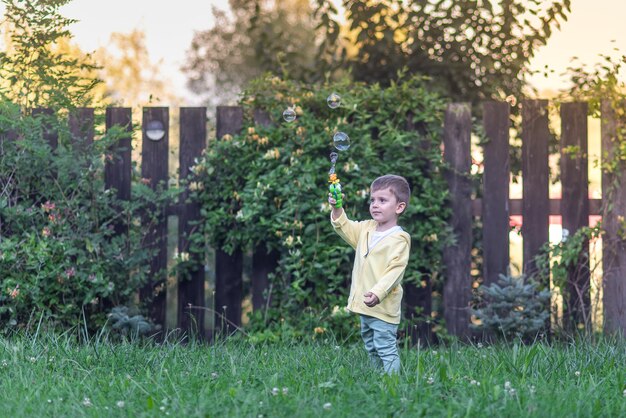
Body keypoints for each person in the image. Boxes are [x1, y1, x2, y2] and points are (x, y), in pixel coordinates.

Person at [329, 174, 411, 375]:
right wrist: (336, 208)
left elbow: (395, 272)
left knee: (385, 347)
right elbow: (345, 227)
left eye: (382, 200)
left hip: (383, 306)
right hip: (366, 305)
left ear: (399, 207)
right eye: (373, 200)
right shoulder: (366, 229)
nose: (375, 205)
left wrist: (377, 292)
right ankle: (378, 378)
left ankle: (392, 383)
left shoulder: (400, 239)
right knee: (371, 346)